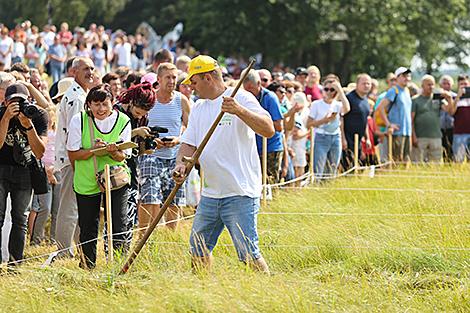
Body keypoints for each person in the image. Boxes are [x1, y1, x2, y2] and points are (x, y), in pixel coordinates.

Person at [174, 55, 274, 273]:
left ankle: (270, 292)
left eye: (194, 81)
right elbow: (188, 144)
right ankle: (202, 293)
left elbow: (268, 129)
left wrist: (239, 111)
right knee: (198, 249)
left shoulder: (241, 98)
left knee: (248, 253)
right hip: (210, 194)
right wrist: (181, 165)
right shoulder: (199, 107)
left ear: (208, 78)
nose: (191, 87)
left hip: (239, 191)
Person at [67, 84, 131, 269]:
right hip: (87, 179)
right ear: (88, 105)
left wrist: (112, 151)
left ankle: (118, 267)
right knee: (88, 226)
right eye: (96, 104)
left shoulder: (124, 121)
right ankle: (88, 267)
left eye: (105, 104)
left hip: (115, 179)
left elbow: (123, 156)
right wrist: (94, 150)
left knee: (118, 225)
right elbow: (73, 153)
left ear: (112, 103)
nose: (101, 109)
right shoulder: (78, 120)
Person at [138, 63, 190, 231]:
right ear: (158, 79)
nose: (172, 81)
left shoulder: (181, 100)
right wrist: (152, 140)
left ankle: (169, 239)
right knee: (149, 198)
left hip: (175, 156)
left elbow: (191, 129)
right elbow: (138, 125)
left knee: (174, 200)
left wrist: (178, 139)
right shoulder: (149, 99)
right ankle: (143, 237)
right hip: (150, 154)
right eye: (168, 77)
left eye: (174, 77)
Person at [0, 83, 48, 264]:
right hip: (1, 167)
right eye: (14, 101)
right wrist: (5, 119)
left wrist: (28, 126)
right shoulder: (1, 113)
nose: (18, 106)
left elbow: (40, 152)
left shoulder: (37, 114)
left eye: (22, 101)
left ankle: (15, 263)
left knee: (20, 218)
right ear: (5, 102)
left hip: (25, 170)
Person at [54, 57, 95, 258]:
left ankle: (79, 249)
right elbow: (74, 136)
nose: (90, 72)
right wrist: (77, 162)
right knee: (69, 208)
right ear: (74, 72)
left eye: (92, 68)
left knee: (77, 207)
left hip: (77, 159)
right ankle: (62, 252)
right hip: (73, 160)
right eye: (86, 69)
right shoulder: (77, 99)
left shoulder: (80, 95)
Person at [114, 83, 156, 246]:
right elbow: (113, 139)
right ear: (131, 102)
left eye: (143, 115)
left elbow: (136, 149)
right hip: (115, 166)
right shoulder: (116, 112)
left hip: (132, 167)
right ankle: (114, 247)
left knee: (130, 208)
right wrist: (135, 132)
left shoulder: (143, 118)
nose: (139, 117)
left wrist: (148, 147)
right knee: (117, 212)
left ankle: (125, 248)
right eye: (138, 113)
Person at [243, 69, 284, 184]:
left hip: (270, 147)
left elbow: (279, 126)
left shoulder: (270, 98)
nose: (249, 92)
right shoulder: (243, 98)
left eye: (251, 88)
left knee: (270, 183)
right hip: (252, 147)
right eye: (246, 89)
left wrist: (260, 123)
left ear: (259, 84)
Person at [307, 75, 350, 179]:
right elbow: (309, 124)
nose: (329, 92)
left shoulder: (338, 104)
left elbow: (347, 109)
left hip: (335, 137)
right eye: (326, 89)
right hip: (321, 137)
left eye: (332, 90)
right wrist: (325, 120)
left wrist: (340, 90)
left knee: (332, 169)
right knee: (319, 169)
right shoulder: (316, 104)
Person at [29, 105, 60, 245]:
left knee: (57, 209)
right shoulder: (38, 130)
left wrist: (54, 168)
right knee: (44, 208)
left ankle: (54, 240)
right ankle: (36, 239)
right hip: (42, 170)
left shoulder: (58, 130)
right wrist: (47, 170)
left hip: (57, 170)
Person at [411, 75, 452, 163]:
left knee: (436, 164)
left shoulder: (438, 98)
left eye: (433, 84)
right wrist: (413, 136)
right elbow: (411, 120)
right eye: (429, 85)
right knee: (419, 163)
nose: (431, 87)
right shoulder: (415, 100)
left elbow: (449, 110)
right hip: (420, 137)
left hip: (436, 137)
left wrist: (449, 98)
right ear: (422, 86)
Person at [377, 67, 413, 162]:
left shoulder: (407, 91)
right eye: (404, 76)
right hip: (396, 132)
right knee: (396, 161)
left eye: (408, 76)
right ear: (397, 78)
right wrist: (389, 124)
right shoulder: (393, 91)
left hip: (407, 131)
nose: (407, 78)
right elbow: (380, 108)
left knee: (406, 160)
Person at [341, 74, 372, 169]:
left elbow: (365, 120)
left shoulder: (366, 100)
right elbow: (341, 118)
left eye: (368, 84)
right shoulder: (349, 98)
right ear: (357, 84)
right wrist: (343, 139)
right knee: (348, 167)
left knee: (359, 165)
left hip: (358, 140)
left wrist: (367, 138)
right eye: (363, 83)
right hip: (348, 138)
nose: (366, 86)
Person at [448, 75, 470, 162]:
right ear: (458, 86)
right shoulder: (454, 98)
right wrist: (458, 97)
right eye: (461, 84)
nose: (464, 86)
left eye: (466, 84)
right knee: (458, 160)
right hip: (460, 133)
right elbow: (451, 112)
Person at [439, 75, 456, 162]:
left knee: (452, 148)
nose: (446, 86)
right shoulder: (437, 96)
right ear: (440, 85)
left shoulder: (455, 96)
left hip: (452, 126)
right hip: (440, 127)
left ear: (451, 85)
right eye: (444, 83)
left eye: (448, 84)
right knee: (442, 149)